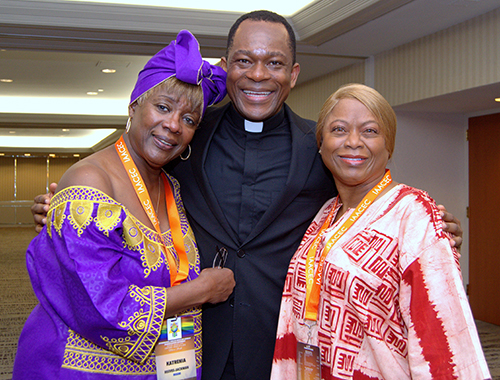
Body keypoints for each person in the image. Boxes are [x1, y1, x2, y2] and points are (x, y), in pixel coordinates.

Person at [30, 11, 463, 380]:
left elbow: (363, 208)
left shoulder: (319, 147)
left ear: (292, 74)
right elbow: (127, 187)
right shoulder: (188, 138)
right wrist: (65, 212)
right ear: (228, 65)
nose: (258, 75)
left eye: (274, 63)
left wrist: (425, 231)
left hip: (278, 342)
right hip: (190, 338)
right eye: (244, 61)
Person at [13, 30, 234, 380]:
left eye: (189, 119)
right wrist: (201, 290)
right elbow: (98, 301)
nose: (173, 125)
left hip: (159, 365)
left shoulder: (171, 186)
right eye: (162, 107)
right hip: (77, 369)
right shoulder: (90, 182)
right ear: (133, 106)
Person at [271, 83, 490, 379]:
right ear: (320, 143)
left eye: (370, 131)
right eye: (338, 129)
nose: (353, 142)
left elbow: (444, 336)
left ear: (389, 145)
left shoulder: (414, 213)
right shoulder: (324, 214)